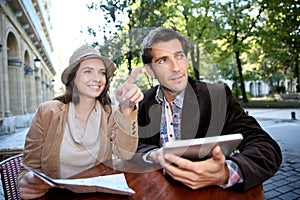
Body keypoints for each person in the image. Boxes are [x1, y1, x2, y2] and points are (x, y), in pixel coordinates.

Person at [136, 27, 282, 191]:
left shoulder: (217, 95)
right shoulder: (144, 101)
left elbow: (264, 146)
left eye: (179, 56)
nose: (176, 67)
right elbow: (133, 145)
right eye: (163, 60)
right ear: (150, 70)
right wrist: (154, 154)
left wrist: (226, 173)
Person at [18, 44, 144, 199]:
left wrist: (127, 109)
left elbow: (125, 154)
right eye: (88, 71)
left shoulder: (110, 113)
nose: (97, 79)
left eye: (102, 72)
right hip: (56, 196)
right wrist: (27, 181)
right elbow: (28, 168)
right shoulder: (47, 112)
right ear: (73, 77)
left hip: (97, 196)